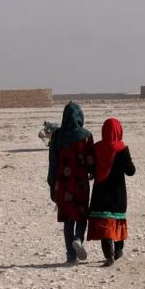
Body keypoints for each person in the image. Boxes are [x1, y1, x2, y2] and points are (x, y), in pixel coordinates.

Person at [47, 101, 95, 264]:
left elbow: (53, 162)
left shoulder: (57, 136)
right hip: (80, 183)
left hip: (63, 183)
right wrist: (92, 172)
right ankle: (79, 239)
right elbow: (90, 160)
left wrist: (52, 184)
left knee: (68, 219)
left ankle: (70, 255)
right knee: (82, 215)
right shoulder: (86, 136)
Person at [87, 118, 136, 267]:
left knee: (104, 224)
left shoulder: (96, 148)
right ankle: (118, 250)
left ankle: (109, 255)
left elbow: (91, 169)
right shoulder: (122, 149)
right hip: (117, 193)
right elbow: (131, 171)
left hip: (100, 193)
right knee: (117, 221)